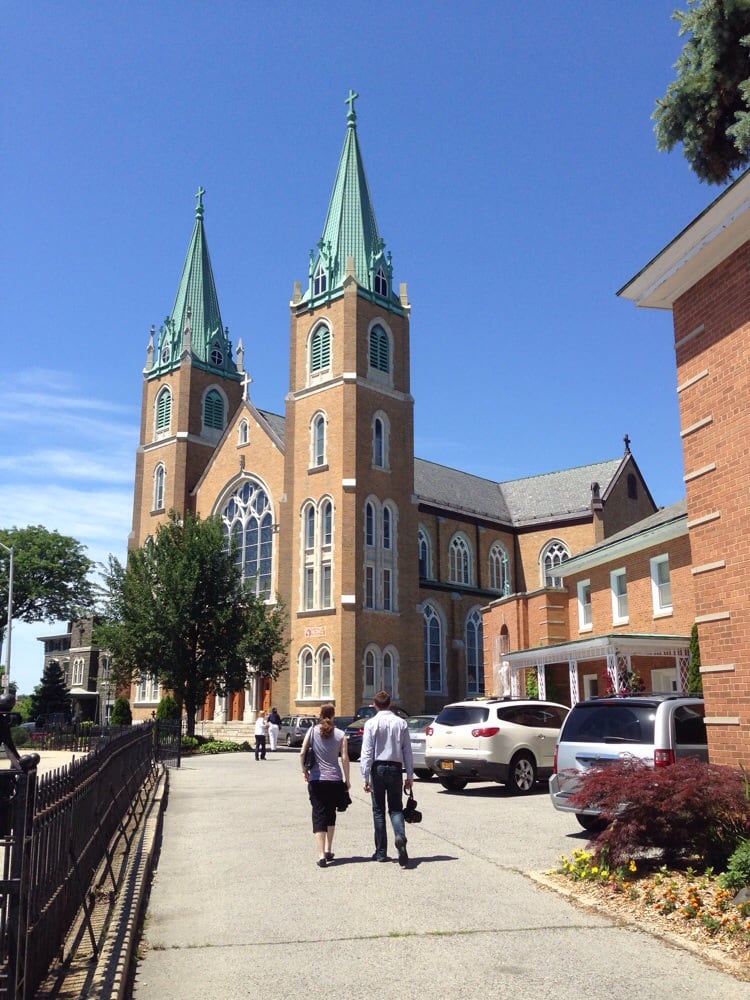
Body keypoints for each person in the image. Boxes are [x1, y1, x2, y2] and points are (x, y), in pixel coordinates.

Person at [360, 690, 414, 867]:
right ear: (390, 704)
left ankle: (381, 852)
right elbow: (407, 750)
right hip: (395, 767)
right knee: (396, 808)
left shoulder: (371, 723)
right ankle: (400, 839)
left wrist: (365, 775)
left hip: (378, 767)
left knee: (378, 810)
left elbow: (367, 752)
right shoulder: (401, 723)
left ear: (374, 705)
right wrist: (410, 775)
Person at [300, 703, 350, 868]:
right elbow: (344, 758)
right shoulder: (340, 734)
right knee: (330, 814)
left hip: (316, 779)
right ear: (334, 715)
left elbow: (302, 752)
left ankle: (321, 855)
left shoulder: (312, 731)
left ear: (320, 715)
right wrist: (347, 780)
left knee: (318, 815)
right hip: (335, 780)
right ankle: (329, 849)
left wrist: (304, 770)